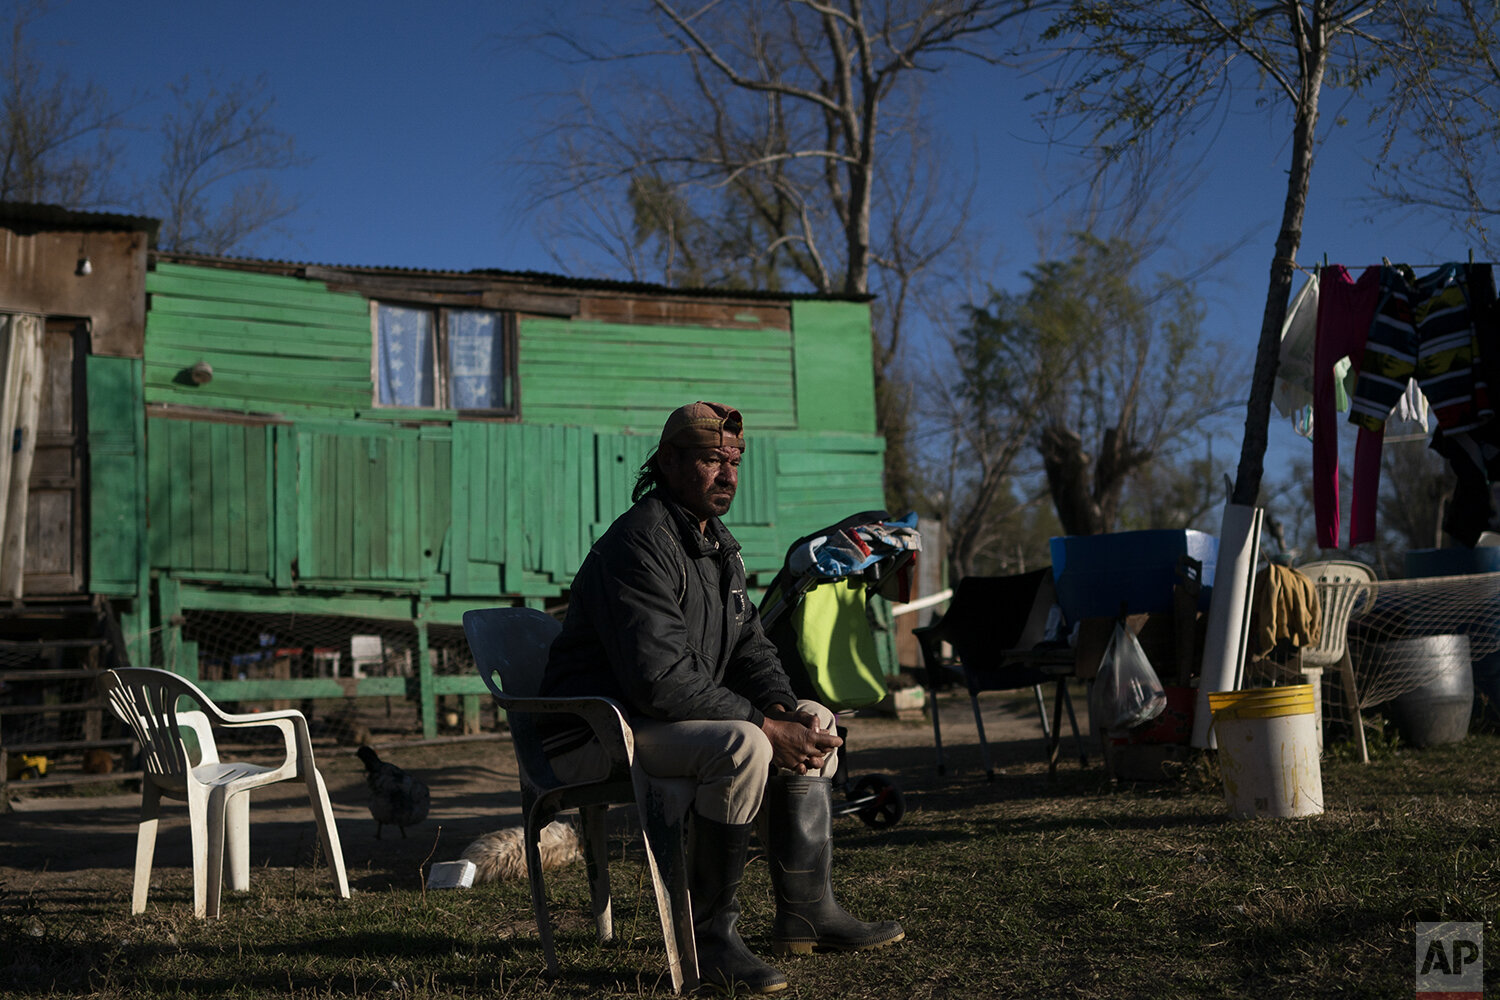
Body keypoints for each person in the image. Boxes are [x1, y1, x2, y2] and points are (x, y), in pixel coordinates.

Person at [540, 401, 904, 994]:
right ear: (668, 462)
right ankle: (706, 940)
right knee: (743, 746)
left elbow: (751, 649)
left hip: (655, 720)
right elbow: (660, 679)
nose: (729, 474)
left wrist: (784, 709)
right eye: (712, 460)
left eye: (734, 460)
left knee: (812, 717)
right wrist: (762, 723)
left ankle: (806, 911)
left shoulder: (717, 545)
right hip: (594, 730)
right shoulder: (640, 543)